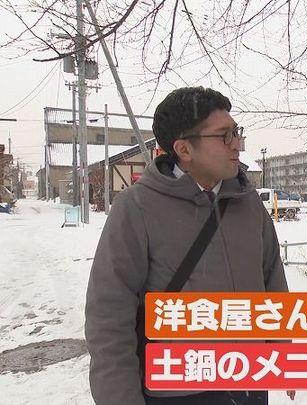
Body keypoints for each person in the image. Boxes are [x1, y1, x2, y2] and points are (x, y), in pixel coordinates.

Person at [85, 87, 293, 405]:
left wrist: (281, 348)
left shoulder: (247, 201)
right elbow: (109, 316)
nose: (236, 143)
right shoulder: (137, 207)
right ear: (184, 149)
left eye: (236, 131)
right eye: (223, 135)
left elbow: (271, 276)